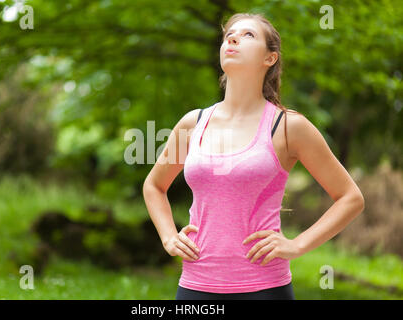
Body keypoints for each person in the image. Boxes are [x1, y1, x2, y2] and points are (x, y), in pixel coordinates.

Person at [142, 13, 365, 300]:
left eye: (248, 35)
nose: (232, 39)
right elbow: (154, 186)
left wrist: (297, 245)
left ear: (269, 58)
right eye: (228, 36)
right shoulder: (192, 123)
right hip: (195, 287)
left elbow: (350, 197)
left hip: (264, 288)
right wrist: (169, 236)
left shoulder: (287, 126)